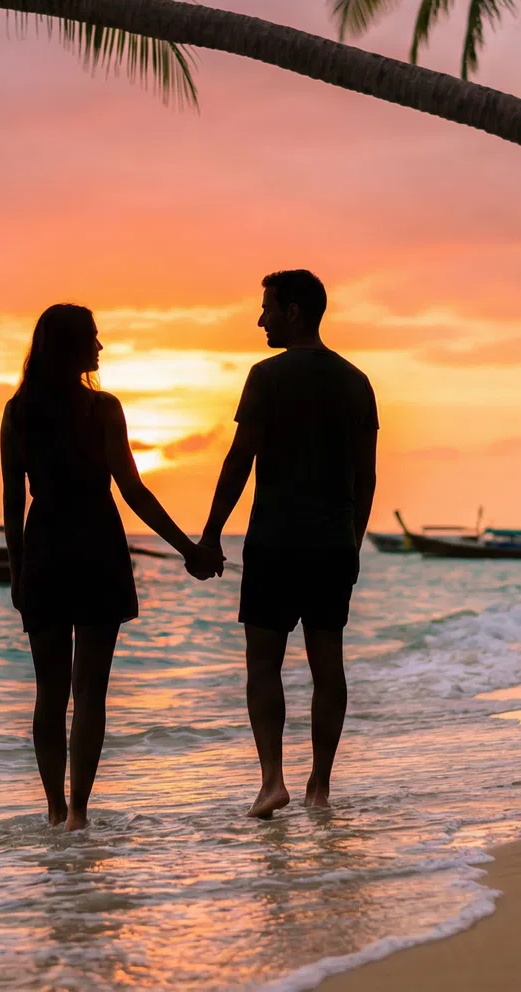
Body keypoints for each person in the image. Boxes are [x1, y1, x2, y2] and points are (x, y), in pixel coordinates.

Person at [1, 304, 211, 831]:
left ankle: (53, 810)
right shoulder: (103, 409)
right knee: (89, 689)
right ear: (73, 348)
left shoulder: (17, 410)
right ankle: (77, 814)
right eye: (93, 339)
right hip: (96, 546)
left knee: (49, 691)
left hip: (45, 548)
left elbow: (10, 500)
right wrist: (188, 548)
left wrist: (16, 572)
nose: (100, 348)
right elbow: (133, 490)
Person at [195, 270, 378, 818]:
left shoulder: (265, 375)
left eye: (268, 308)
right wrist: (353, 542)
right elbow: (365, 478)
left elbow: (238, 460)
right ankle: (319, 785)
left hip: (274, 541)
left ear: (294, 312)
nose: (261, 318)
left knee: (263, 663)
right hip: (330, 545)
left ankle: (272, 780)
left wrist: (209, 535)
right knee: (328, 666)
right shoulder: (356, 381)